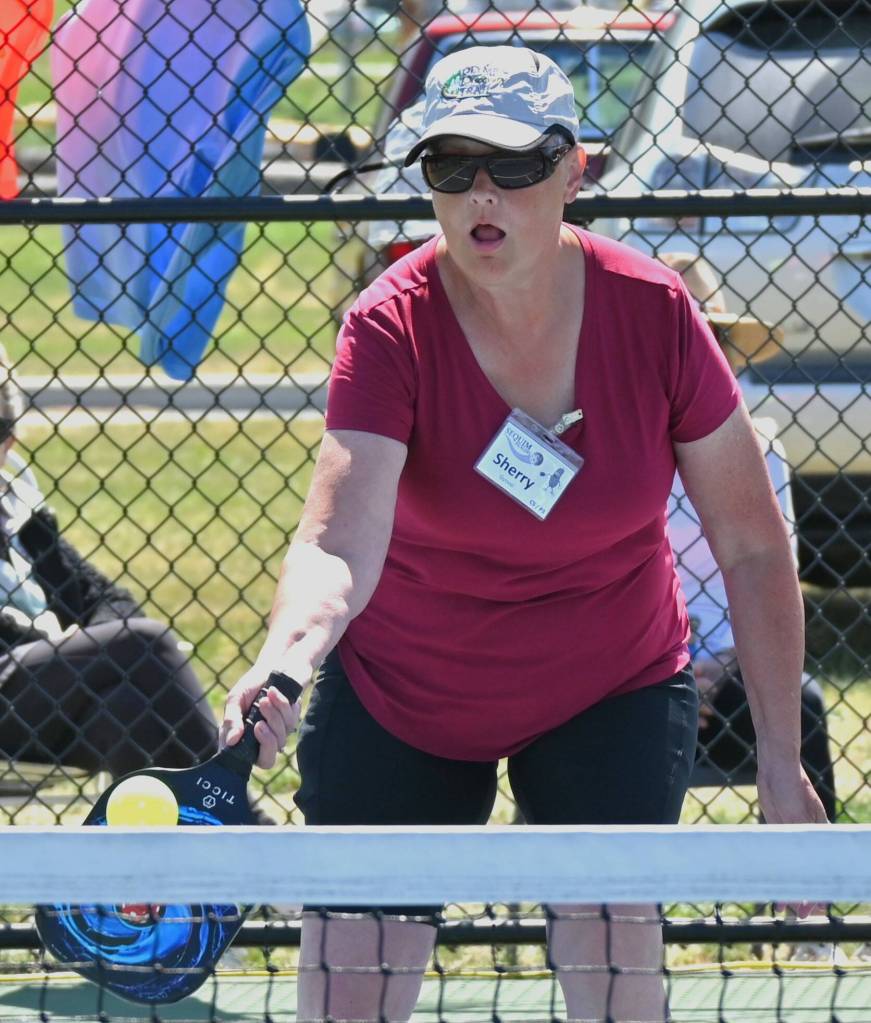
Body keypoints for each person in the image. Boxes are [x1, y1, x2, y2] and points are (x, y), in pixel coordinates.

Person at [220, 45, 828, 1023]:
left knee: (614, 970)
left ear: (572, 169)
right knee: (349, 995)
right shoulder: (387, 327)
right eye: (448, 167)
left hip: (611, 683)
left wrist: (776, 757)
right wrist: (280, 664)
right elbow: (337, 542)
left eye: (510, 164)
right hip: (405, 690)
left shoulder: (659, 313)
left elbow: (753, 547)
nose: (478, 195)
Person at [660, 253, 837, 823]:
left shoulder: (760, 447)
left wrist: (720, 671)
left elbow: (771, 571)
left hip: (737, 667)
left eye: (708, 338)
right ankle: (613, 901)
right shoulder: (617, 443)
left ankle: (804, 895)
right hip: (641, 659)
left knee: (803, 705)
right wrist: (682, 668)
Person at [0, 345, 218, 782]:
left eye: (5, 428)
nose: (6, 443)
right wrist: (74, 643)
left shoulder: (16, 503)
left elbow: (103, 595)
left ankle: (159, 844)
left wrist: (86, 642)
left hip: (48, 692)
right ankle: (245, 814)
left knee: (126, 711)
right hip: (11, 683)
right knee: (146, 642)